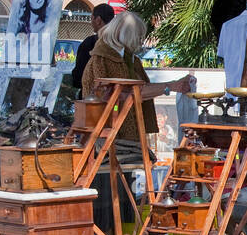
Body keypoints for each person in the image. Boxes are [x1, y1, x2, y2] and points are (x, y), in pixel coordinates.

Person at [82, 10, 193, 144]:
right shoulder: (103, 59)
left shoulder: (128, 58)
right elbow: (130, 92)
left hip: (122, 133)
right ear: (128, 36)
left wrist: (172, 85)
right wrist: (170, 86)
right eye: (138, 37)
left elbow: (139, 89)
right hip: (107, 135)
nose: (140, 41)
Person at [70, 3, 115, 89]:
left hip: (92, 97)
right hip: (116, 97)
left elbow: (79, 76)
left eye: (91, 19)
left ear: (98, 20)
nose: (91, 23)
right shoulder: (119, 43)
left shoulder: (90, 43)